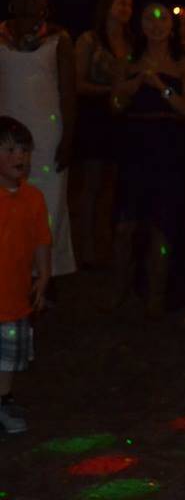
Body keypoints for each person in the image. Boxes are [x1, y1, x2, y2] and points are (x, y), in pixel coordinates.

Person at [109, 3, 185, 316]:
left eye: (162, 19)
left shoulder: (184, 64)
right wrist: (134, 85)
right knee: (125, 225)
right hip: (135, 148)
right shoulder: (128, 61)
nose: (156, 25)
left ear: (171, 27)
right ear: (141, 24)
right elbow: (116, 105)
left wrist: (161, 88)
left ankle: (155, 298)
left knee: (162, 225)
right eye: (149, 18)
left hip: (168, 149)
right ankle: (119, 291)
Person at [0, 0, 76, 279]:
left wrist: (68, 137)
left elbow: (68, 91)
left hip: (46, 134)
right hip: (6, 134)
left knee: (49, 204)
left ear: (46, 3)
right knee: (8, 200)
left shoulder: (59, 39)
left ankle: (45, 273)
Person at [74, 0, 134, 268]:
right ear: (107, 6)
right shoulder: (90, 40)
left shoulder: (131, 42)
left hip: (121, 119)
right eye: (120, 3)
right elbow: (77, 82)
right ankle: (85, 244)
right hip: (95, 118)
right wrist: (110, 89)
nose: (125, 9)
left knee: (114, 185)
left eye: (129, 5)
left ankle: (108, 241)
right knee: (91, 185)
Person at [0, 117, 51, 434]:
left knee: (8, 357)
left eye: (24, 150)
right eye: (9, 149)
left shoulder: (33, 198)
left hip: (15, 297)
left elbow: (41, 240)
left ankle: (3, 400)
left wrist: (44, 275)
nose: (20, 157)